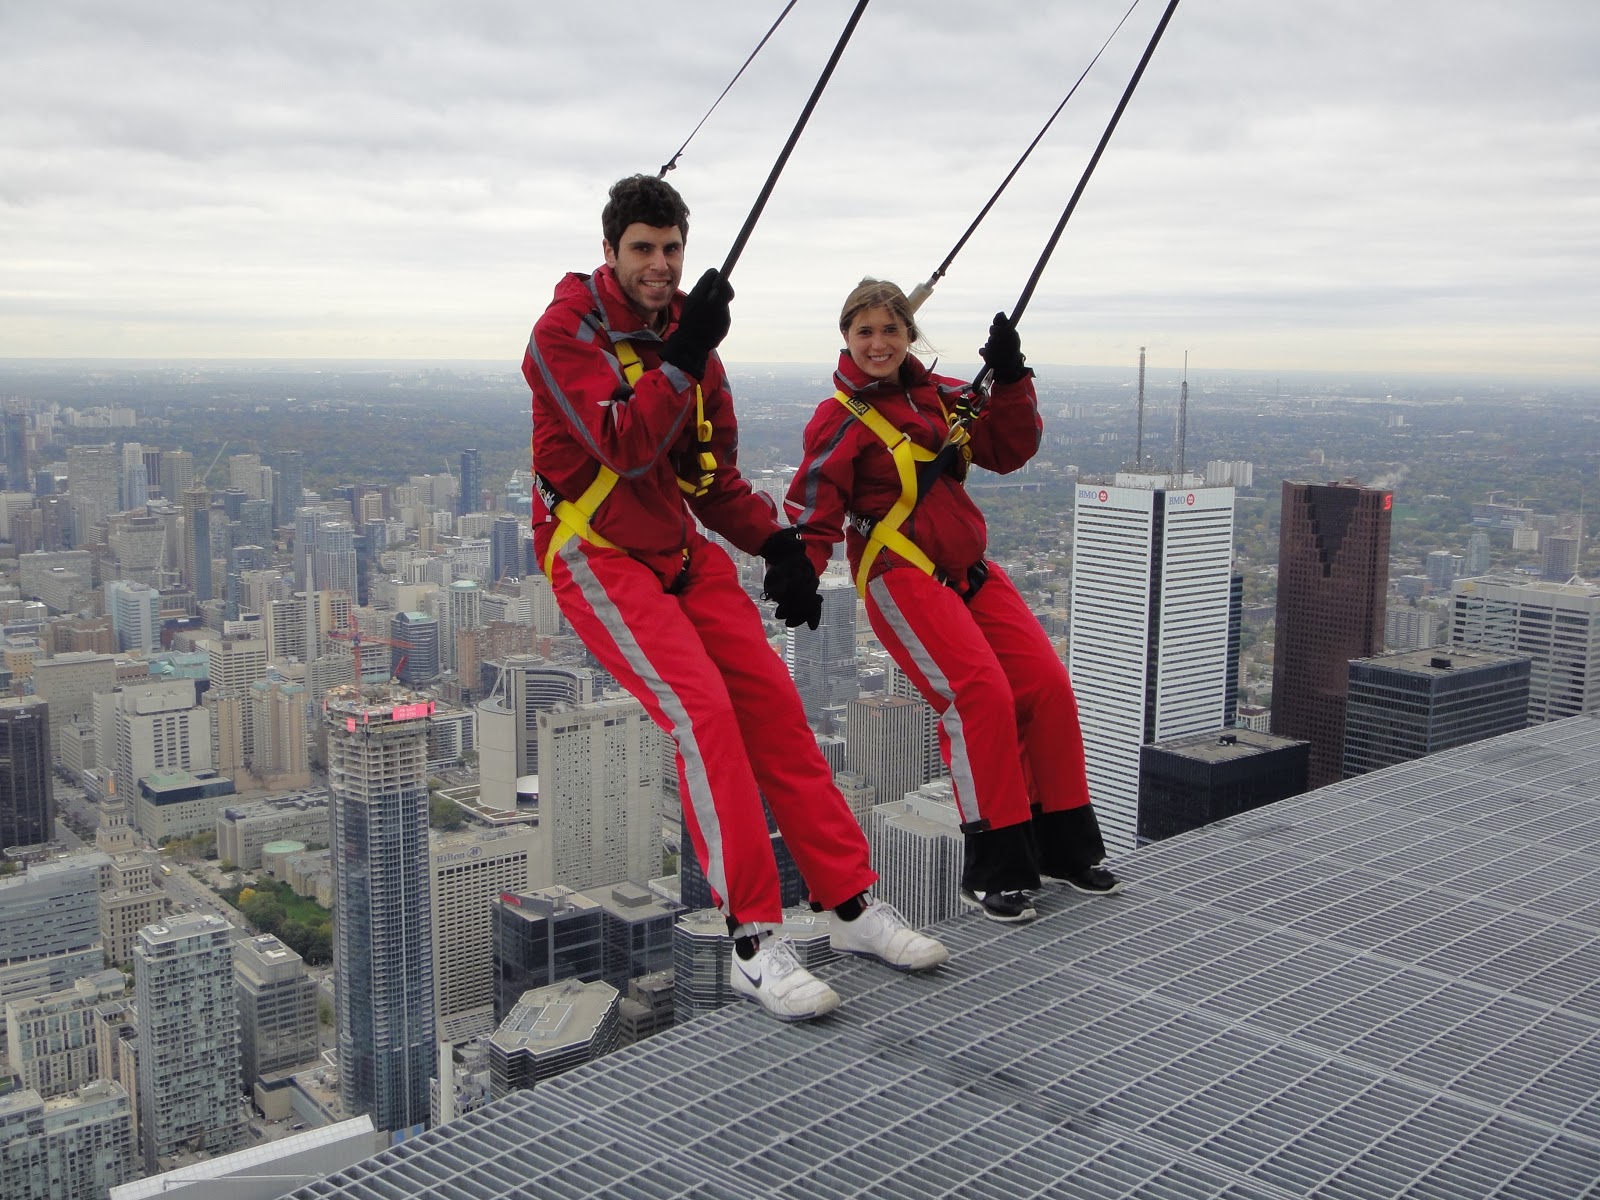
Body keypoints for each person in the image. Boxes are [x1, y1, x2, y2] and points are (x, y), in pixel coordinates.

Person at [522, 178, 947, 1020]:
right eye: (643, 248)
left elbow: (705, 480)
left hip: (676, 549)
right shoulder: (563, 334)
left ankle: (849, 902)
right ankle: (753, 940)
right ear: (610, 249)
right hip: (597, 553)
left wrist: (777, 543)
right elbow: (625, 445)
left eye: (672, 248)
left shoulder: (694, 346)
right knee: (704, 715)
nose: (660, 264)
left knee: (774, 711)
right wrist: (682, 355)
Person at [781, 278, 1122, 924]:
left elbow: (1008, 449)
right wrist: (801, 568)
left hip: (968, 569)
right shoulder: (839, 418)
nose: (878, 342)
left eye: (890, 329)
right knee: (979, 695)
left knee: (1047, 686)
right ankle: (997, 869)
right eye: (865, 331)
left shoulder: (941, 397)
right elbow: (815, 502)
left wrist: (1013, 378)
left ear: (909, 333)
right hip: (899, 574)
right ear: (846, 340)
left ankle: (1065, 849)